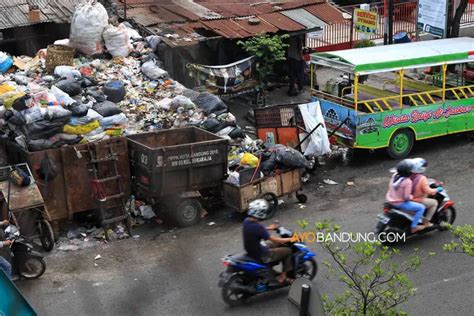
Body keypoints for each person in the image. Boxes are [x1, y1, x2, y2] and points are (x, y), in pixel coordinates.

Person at [243, 199, 294, 284]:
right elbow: (273, 239)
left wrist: (269, 228)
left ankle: (270, 269)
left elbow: (258, 229)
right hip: (262, 254)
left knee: (276, 244)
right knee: (288, 251)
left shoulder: (247, 221)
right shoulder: (257, 227)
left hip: (252, 250)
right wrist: (289, 239)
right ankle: (282, 277)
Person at [386, 159, 426, 233]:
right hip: (399, 203)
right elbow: (406, 198)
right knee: (421, 208)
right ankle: (414, 227)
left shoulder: (394, 175)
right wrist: (412, 197)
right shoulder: (407, 181)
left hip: (390, 199)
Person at [410, 158, 442, 227]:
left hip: (408, 198)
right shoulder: (422, 178)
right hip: (416, 199)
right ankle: (426, 221)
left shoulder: (408, 175)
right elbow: (429, 191)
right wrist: (437, 190)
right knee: (434, 203)